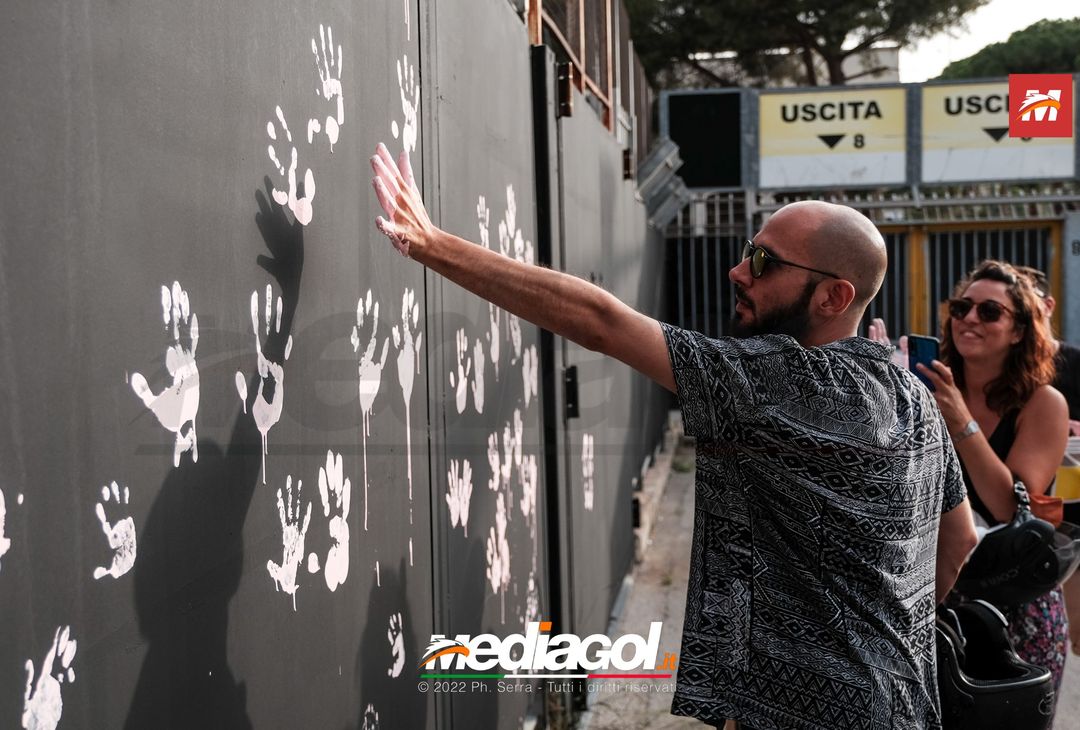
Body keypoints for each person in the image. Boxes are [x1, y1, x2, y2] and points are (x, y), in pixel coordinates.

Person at [369, 144, 977, 729]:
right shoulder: (913, 396)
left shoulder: (781, 381)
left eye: (764, 263)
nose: (738, 271)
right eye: (747, 251)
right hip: (904, 703)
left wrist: (431, 243)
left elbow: (602, 322)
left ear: (833, 296)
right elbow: (959, 540)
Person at [914, 261, 1070, 710]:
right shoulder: (928, 386)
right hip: (940, 592)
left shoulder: (1043, 403)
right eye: (962, 307)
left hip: (1016, 604)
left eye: (989, 312)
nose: (968, 319)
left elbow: (1009, 507)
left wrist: (961, 422)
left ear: (1020, 330)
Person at [1016, 265, 1080, 659]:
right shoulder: (1002, 370)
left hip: (1074, 509)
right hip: (1029, 522)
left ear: (1049, 306)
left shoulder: (1074, 361)